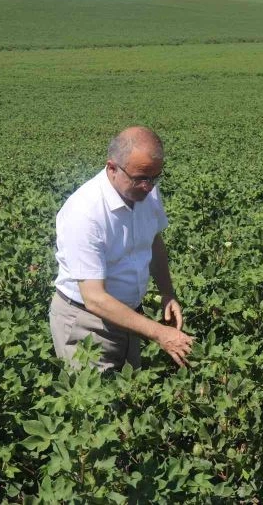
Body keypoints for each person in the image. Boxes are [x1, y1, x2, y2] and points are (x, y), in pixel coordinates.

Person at [50, 126, 193, 371]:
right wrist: (159, 333)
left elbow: (154, 241)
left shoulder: (145, 190)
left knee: (128, 393)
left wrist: (167, 292)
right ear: (112, 168)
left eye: (154, 177)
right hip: (88, 324)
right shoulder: (85, 212)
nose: (148, 187)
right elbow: (95, 298)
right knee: (97, 404)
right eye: (141, 178)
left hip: (129, 318)